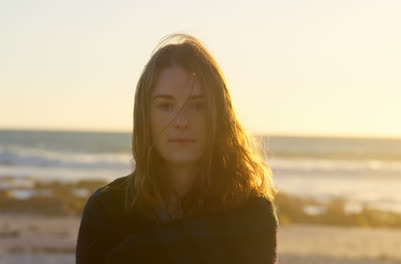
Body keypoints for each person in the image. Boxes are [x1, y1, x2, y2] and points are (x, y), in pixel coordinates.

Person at [76, 33, 279, 264]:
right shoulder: (106, 210)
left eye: (198, 106)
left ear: (219, 116)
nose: (181, 121)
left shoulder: (251, 213)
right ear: (145, 116)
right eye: (165, 105)